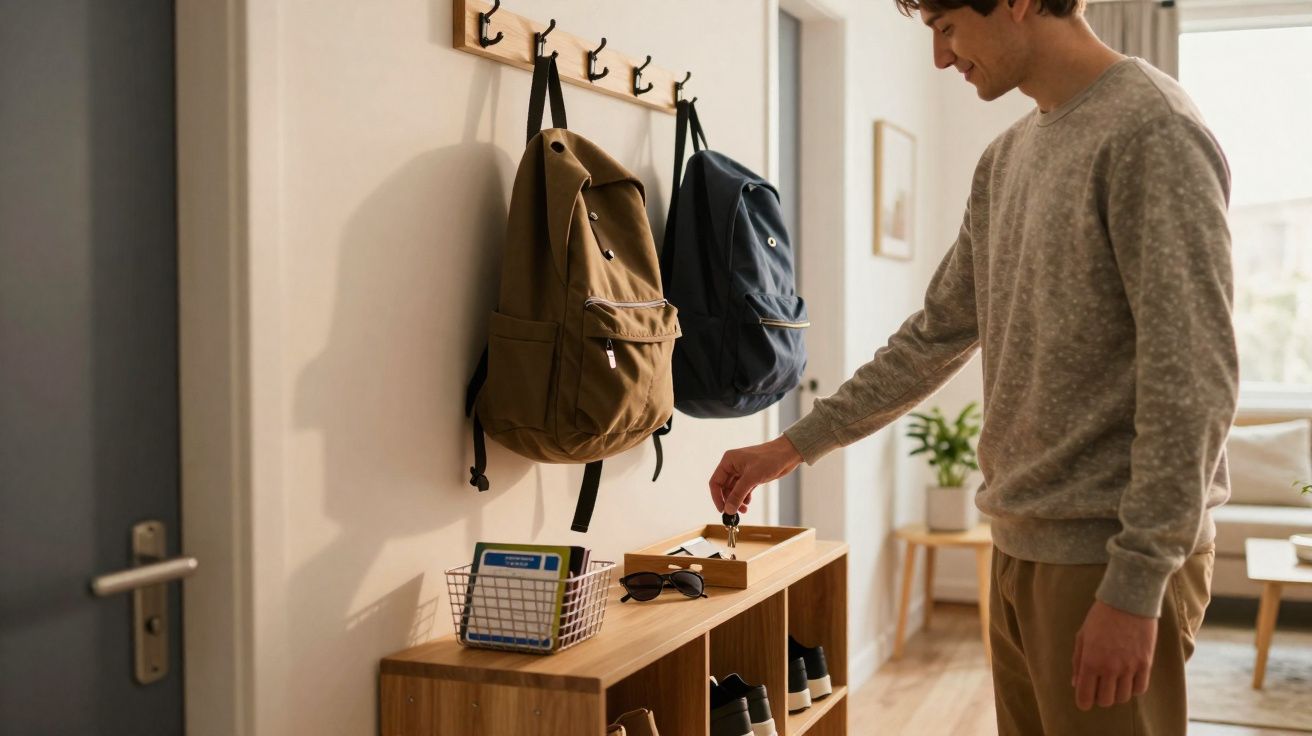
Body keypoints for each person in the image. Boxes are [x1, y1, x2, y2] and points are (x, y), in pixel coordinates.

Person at [708, 0, 1237, 732]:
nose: (941, 56)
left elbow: (1194, 378)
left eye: (946, 26)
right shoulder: (1008, 157)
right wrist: (793, 445)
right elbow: (935, 336)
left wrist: (1136, 582)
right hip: (1019, 543)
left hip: (1105, 559)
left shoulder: (1152, 130)